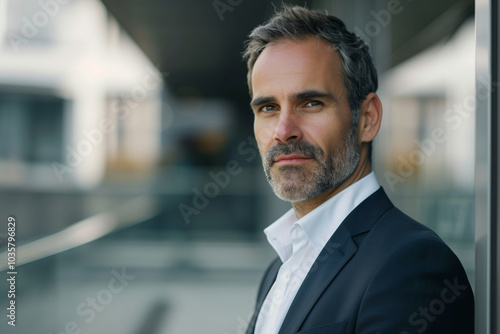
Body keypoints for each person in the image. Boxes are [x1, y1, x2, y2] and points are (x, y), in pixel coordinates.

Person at [242, 5, 474, 334]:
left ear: (367, 119)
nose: (284, 130)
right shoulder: (280, 267)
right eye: (267, 107)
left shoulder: (412, 264)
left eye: (311, 103)